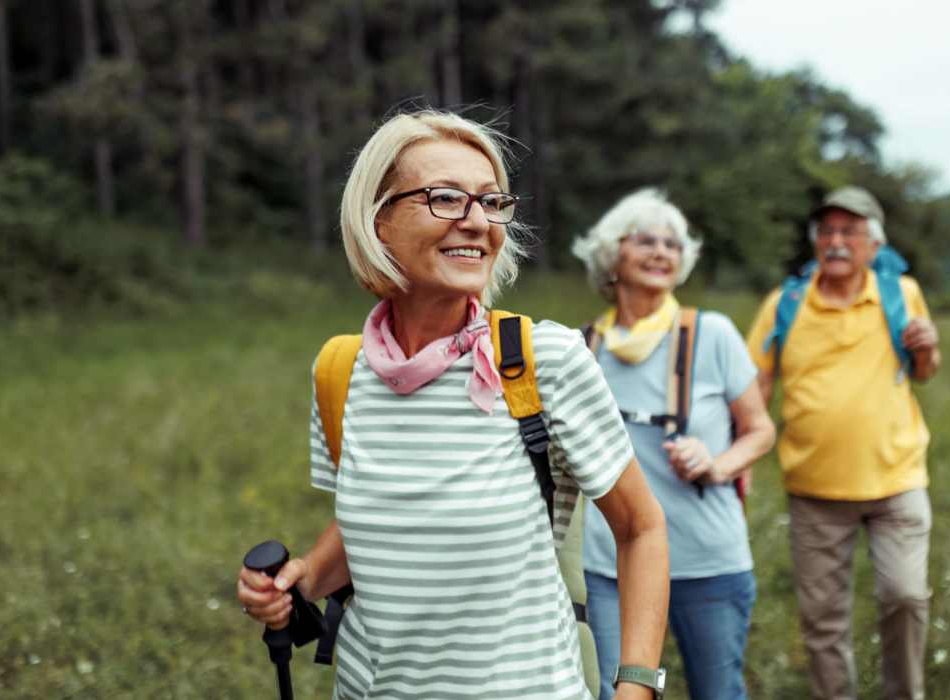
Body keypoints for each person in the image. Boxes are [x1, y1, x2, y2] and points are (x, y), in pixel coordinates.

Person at [236, 110, 671, 700]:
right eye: (445, 198)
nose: (476, 222)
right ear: (379, 220)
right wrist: (302, 578)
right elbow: (377, 525)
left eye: (492, 203)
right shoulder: (341, 371)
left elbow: (641, 528)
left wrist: (637, 687)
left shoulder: (546, 360)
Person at [571, 188, 775, 700]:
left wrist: (717, 463)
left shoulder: (714, 334)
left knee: (716, 692)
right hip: (608, 565)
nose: (662, 251)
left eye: (673, 244)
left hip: (705, 559)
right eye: (646, 240)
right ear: (611, 253)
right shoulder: (580, 347)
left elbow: (760, 430)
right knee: (612, 692)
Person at [744, 186, 941, 700]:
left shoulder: (901, 293)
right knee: (823, 620)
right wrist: (738, 454)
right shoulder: (785, 303)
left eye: (849, 232)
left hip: (896, 479)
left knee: (905, 594)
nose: (835, 242)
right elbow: (755, 386)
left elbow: (923, 371)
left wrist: (928, 349)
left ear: (873, 245)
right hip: (814, 489)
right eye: (827, 231)